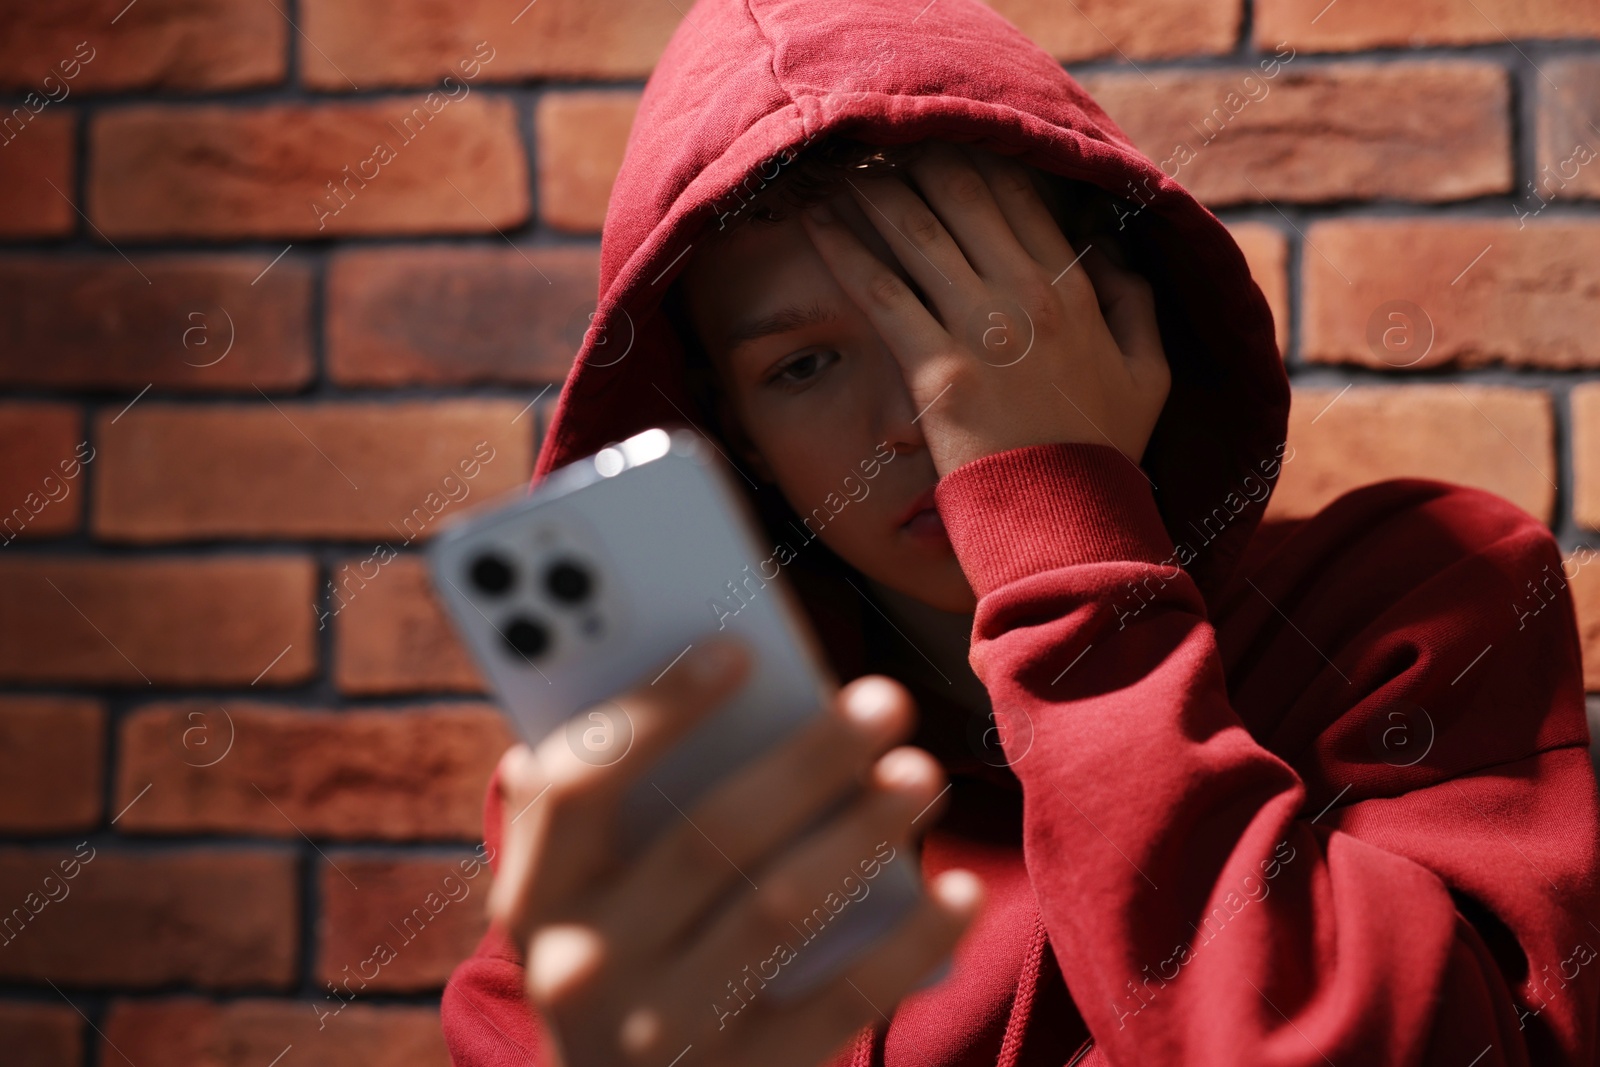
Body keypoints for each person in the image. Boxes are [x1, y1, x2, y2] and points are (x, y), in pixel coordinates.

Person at [440, 0, 1600, 1064]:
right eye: (803, 365)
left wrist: (1066, 534)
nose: (917, 411)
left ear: (1115, 305)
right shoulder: (664, 776)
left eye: (969, 316)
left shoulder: (1412, 598)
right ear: (732, 434)